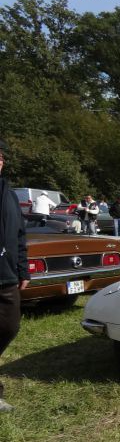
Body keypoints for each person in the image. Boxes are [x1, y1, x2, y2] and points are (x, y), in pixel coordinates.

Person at [0, 149, 31, 412]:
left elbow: (20, 236)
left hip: (7, 275)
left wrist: (23, 270)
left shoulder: (9, 195)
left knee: (9, 326)